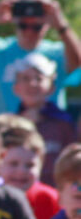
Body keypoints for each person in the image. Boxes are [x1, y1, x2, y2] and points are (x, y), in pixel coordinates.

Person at [7, 53, 76, 184]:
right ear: (16, 88)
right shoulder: (8, 125)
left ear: (52, 88)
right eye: (25, 79)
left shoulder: (63, 124)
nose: (32, 84)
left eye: (39, 79)